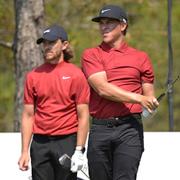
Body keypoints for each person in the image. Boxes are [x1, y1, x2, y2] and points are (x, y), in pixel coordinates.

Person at [81, 4, 159, 180]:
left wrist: (150, 102)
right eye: (101, 23)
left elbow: (148, 96)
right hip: (100, 128)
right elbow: (102, 88)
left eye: (109, 23)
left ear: (123, 26)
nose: (104, 27)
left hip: (130, 129)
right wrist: (139, 98)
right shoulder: (91, 54)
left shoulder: (141, 57)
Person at [18, 24, 90, 180]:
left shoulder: (76, 75)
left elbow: (83, 115)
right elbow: (28, 115)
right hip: (39, 143)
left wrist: (79, 150)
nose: (47, 47)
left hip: (66, 141)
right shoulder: (33, 76)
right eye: (45, 43)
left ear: (64, 45)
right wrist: (24, 151)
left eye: (51, 43)